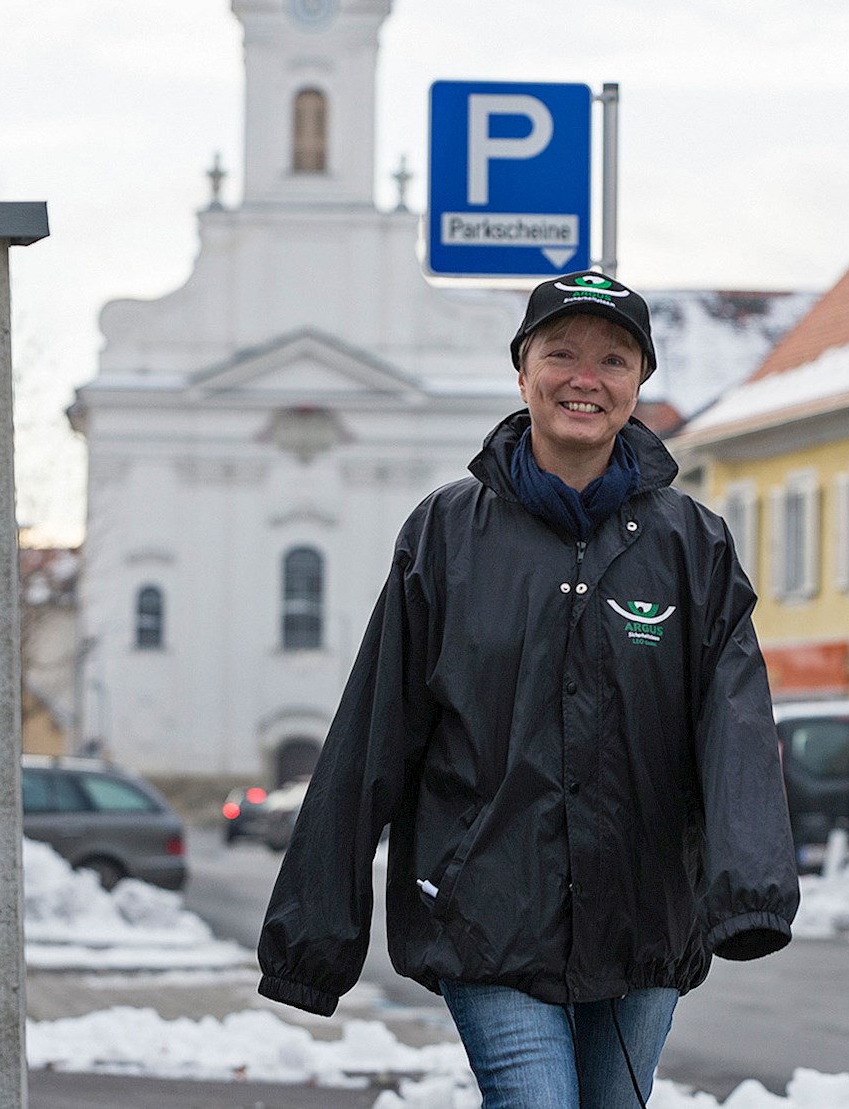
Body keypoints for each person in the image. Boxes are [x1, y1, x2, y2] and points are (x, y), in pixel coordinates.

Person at [257, 271, 799, 1108]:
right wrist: (312, 938)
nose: (586, 378)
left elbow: (734, 724)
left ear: (639, 383)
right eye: (562, 354)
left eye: (614, 360)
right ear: (523, 372)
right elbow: (374, 729)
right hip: (485, 909)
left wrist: (749, 890)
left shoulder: (691, 543)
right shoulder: (444, 534)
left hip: (642, 913)